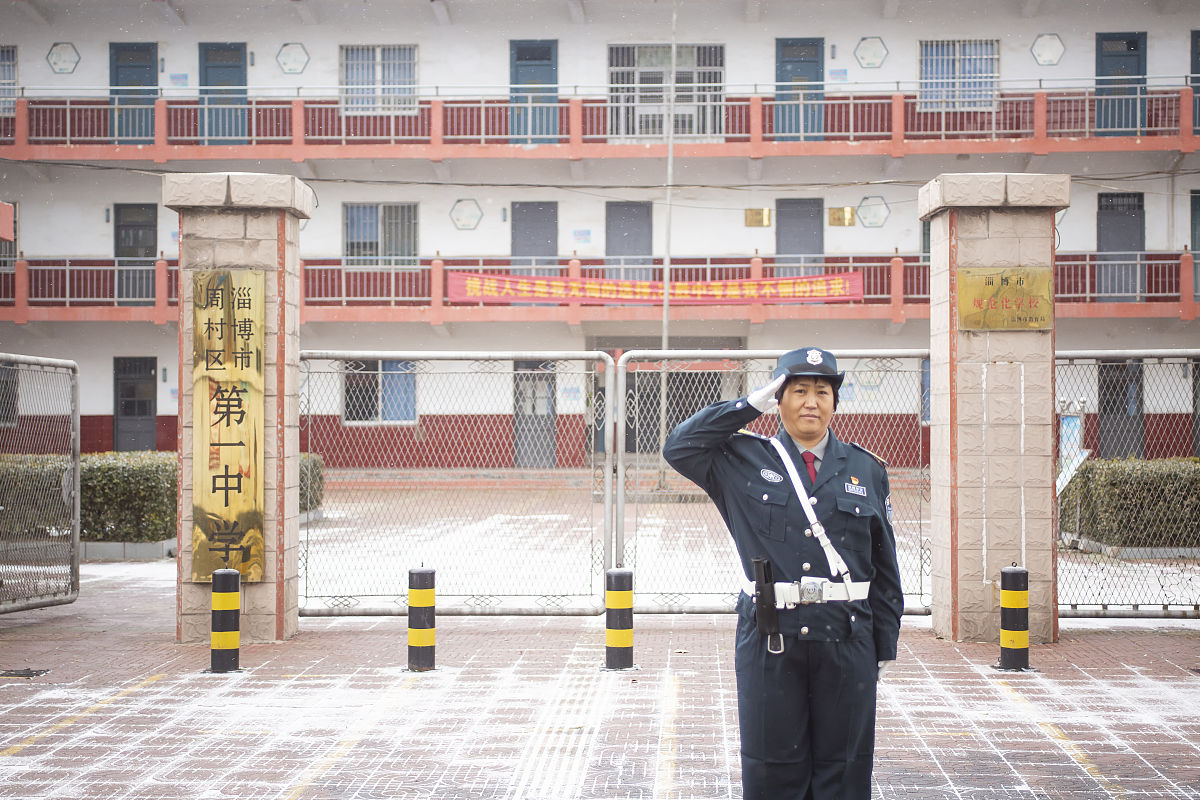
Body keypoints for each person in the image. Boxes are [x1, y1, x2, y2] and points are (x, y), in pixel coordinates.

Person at [662, 346, 903, 800]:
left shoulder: (865, 468)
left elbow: (885, 566)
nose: (811, 402)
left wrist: (882, 644)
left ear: (835, 401)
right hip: (771, 639)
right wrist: (749, 405)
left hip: (847, 639)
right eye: (798, 391)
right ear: (780, 398)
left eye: (822, 391)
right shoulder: (741, 459)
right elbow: (678, 447)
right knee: (773, 770)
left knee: (845, 771)